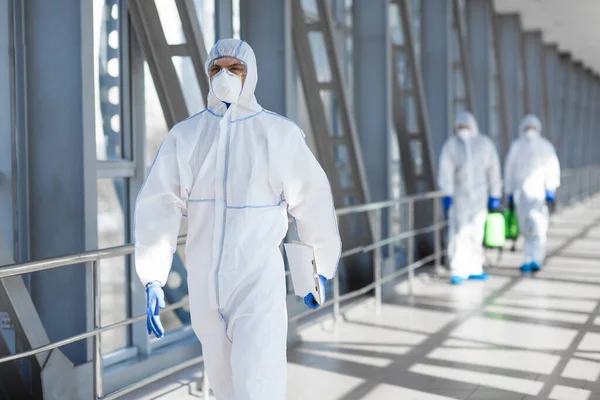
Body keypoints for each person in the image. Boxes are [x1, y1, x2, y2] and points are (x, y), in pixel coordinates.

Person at [134, 38, 341, 399]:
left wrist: (319, 268)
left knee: (257, 384)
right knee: (225, 386)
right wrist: (153, 275)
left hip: (256, 284)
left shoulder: (277, 135)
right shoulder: (186, 136)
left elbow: (313, 200)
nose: (225, 76)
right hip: (204, 290)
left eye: (235, 69)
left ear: (251, 75)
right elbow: (159, 203)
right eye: (216, 69)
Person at [438, 111, 502, 285]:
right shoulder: (451, 145)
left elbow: (493, 170)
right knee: (459, 232)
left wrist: (495, 194)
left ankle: (475, 267)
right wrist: (447, 193)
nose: (463, 129)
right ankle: (458, 269)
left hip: (480, 197)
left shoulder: (484, 144)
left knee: (477, 231)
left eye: (466, 126)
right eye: (460, 126)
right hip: (459, 197)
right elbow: (445, 171)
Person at [504, 114, 560, 273]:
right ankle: (528, 259)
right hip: (520, 194)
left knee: (539, 227)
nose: (530, 131)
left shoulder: (545, 146)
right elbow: (509, 169)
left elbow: (552, 167)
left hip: (539, 194)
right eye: (527, 128)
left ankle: (537, 259)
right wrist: (508, 192)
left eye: (532, 128)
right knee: (525, 228)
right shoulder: (516, 146)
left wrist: (551, 189)